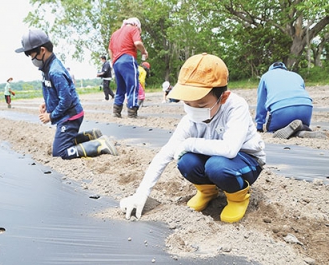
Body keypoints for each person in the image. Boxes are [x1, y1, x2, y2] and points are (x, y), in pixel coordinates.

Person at [120, 53, 266, 223]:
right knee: (186, 161)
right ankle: (207, 191)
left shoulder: (235, 106)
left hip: (246, 161)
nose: (194, 110)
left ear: (223, 98)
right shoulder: (189, 119)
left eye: (202, 105)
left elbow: (230, 149)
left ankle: (237, 197)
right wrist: (141, 193)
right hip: (217, 159)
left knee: (215, 165)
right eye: (188, 104)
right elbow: (165, 153)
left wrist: (190, 143)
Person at [15, 28, 118, 159]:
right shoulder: (46, 67)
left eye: (31, 55)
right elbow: (55, 92)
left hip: (70, 116)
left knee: (60, 152)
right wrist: (46, 103)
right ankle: (90, 136)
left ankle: (100, 145)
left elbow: (66, 99)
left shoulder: (55, 71)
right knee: (62, 144)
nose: (32, 59)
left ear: (42, 50)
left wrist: (51, 116)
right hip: (66, 115)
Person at [255, 62, 326, 139]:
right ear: (285, 69)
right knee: (301, 124)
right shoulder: (296, 75)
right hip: (306, 109)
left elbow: (261, 103)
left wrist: (259, 126)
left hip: (281, 111)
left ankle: (285, 130)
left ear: (270, 69)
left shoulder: (265, 76)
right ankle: (301, 130)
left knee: (273, 130)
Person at [108, 17, 148, 118]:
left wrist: (113, 62)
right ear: (136, 25)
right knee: (133, 85)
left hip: (116, 62)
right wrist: (144, 51)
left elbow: (110, 50)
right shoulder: (133, 29)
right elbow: (137, 43)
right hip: (128, 59)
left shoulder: (115, 33)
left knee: (120, 88)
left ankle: (116, 111)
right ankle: (132, 111)